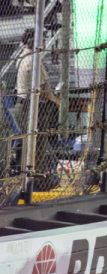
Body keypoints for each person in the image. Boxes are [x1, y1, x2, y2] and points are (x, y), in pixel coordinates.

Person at [14, 28, 60, 172]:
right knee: (38, 142)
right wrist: (58, 102)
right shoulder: (33, 61)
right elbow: (45, 91)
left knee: (28, 140)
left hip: (22, 104)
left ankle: (24, 173)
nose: (45, 41)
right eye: (43, 39)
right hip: (32, 107)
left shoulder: (23, 56)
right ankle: (36, 176)